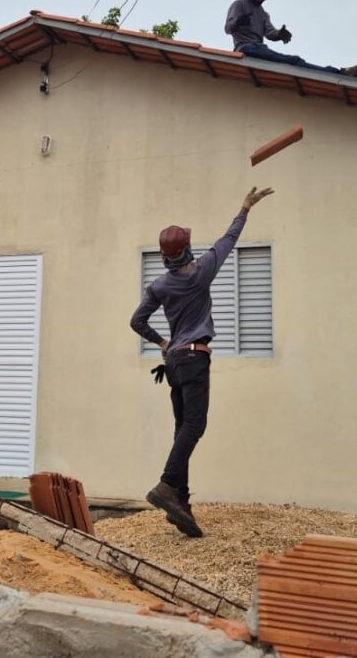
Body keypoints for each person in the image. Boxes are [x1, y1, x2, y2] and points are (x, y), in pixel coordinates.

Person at [130, 186, 275, 537]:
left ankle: (181, 504)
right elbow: (228, 240)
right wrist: (245, 207)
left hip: (175, 363)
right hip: (194, 359)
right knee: (195, 427)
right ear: (187, 249)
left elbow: (137, 321)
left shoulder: (159, 286)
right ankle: (167, 485)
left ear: (165, 255)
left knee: (183, 429)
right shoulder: (201, 272)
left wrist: (162, 342)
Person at [225, 0, 357, 78]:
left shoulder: (263, 14)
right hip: (246, 48)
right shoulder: (239, 5)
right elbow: (228, 28)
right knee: (294, 61)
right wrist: (238, 21)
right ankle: (338, 73)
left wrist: (280, 34)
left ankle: (337, 73)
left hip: (260, 49)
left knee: (292, 63)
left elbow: (269, 32)